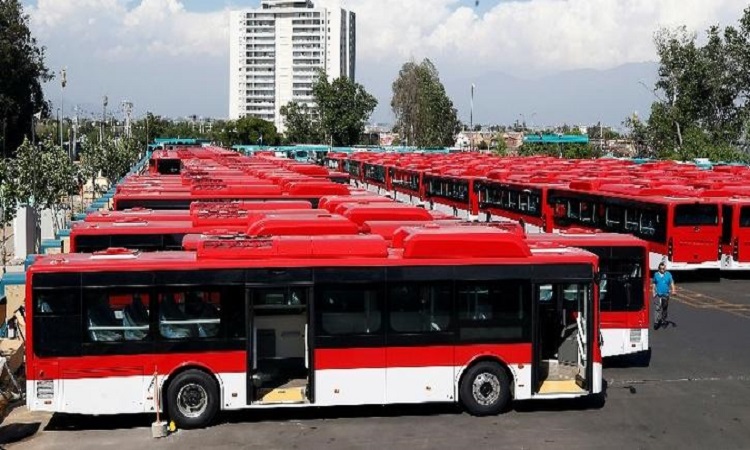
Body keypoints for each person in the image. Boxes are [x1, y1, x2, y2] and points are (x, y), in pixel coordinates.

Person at [652, 262, 675, 328]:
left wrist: (673, 290)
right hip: (658, 294)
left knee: (664, 308)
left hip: (665, 295)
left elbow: (672, 282)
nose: (663, 270)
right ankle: (656, 322)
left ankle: (663, 320)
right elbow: (654, 283)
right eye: (661, 269)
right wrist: (653, 291)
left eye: (664, 268)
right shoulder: (656, 274)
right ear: (659, 269)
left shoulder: (668, 274)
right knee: (657, 308)